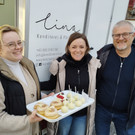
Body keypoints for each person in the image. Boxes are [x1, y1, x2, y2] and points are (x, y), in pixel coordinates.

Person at [40, 32, 101, 135]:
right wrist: (33, 84)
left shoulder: (94, 65)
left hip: (82, 114)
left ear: (86, 48)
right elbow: (51, 84)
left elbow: (99, 85)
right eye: (74, 47)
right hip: (63, 112)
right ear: (68, 47)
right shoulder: (59, 64)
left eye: (81, 47)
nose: (78, 50)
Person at [0, 25, 43, 135]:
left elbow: (25, 91)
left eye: (19, 42)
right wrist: (28, 120)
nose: (18, 47)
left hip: (34, 130)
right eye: (11, 44)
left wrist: (42, 96)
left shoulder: (27, 65)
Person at [95, 20, 135, 135]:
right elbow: (84, 63)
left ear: (133, 35)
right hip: (102, 110)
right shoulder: (104, 54)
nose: (120, 38)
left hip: (126, 115)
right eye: (116, 35)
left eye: (125, 34)